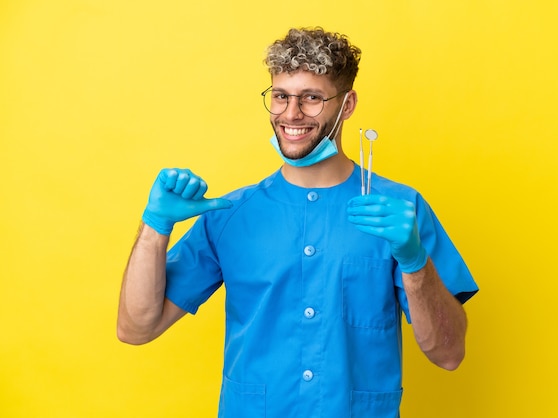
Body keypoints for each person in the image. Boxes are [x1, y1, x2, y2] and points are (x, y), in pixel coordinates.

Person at [117, 27, 478, 418]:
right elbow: (136, 329)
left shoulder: (399, 210)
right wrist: (154, 226)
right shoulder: (230, 214)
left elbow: (449, 353)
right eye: (280, 96)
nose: (291, 114)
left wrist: (414, 261)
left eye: (311, 98)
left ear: (347, 103)